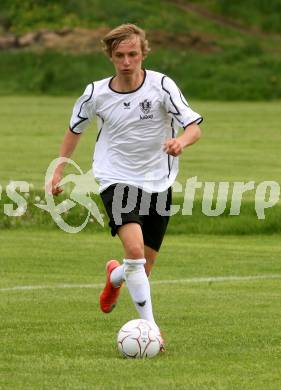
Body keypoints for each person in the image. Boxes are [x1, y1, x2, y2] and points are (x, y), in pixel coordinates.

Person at [50, 23, 202, 351]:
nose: (127, 61)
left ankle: (115, 276)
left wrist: (181, 142)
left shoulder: (162, 86)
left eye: (133, 54)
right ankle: (151, 330)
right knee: (134, 252)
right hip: (114, 177)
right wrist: (59, 167)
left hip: (159, 181)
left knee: (141, 269)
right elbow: (75, 128)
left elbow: (193, 126)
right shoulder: (95, 93)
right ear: (110, 57)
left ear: (143, 53)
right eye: (119, 55)